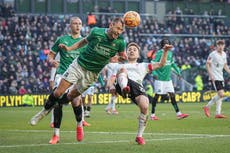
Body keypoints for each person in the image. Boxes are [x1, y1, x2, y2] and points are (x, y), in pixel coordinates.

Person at [29, 17, 127, 134]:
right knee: (58, 92)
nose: (119, 32)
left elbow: (121, 57)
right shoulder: (96, 32)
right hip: (78, 66)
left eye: (121, 30)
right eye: (117, 28)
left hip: (92, 73)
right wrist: (69, 48)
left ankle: (74, 120)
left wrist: (121, 58)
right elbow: (84, 41)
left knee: (71, 97)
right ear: (111, 25)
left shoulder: (121, 42)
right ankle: (44, 111)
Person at [113, 42, 171, 145]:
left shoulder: (143, 65)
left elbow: (161, 64)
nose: (131, 50)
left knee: (145, 106)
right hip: (122, 83)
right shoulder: (120, 65)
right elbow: (113, 77)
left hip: (136, 87)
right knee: (122, 70)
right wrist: (111, 87)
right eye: (129, 49)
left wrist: (165, 51)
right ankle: (124, 89)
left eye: (134, 50)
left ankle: (139, 136)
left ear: (138, 55)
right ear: (126, 53)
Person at [46, 17, 87, 144]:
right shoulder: (62, 39)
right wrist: (52, 61)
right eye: (75, 23)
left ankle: (79, 125)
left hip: (77, 76)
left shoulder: (84, 42)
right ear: (70, 26)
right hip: (62, 74)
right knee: (57, 101)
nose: (78, 26)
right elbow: (51, 54)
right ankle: (56, 135)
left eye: (80, 24)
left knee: (75, 101)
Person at [150, 39, 189, 120]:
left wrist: (178, 72)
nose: (166, 45)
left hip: (168, 79)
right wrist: (154, 74)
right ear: (162, 45)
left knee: (172, 95)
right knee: (157, 96)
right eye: (164, 44)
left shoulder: (170, 53)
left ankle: (178, 113)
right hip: (159, 79)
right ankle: (152, 115)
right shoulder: (159, 53)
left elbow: (172, 64)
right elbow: (152, 63)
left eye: (167, 43)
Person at [203, 40, 230, 119]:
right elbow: (207, 64)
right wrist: (210, 74)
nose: (220, 46)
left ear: (224, 46)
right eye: (219, 45)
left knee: (220, 95)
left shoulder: (224, 54)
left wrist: (229, 72)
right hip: (215, 77)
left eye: (222, 45)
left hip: (220, 77)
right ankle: (207, 107)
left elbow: (225, 65)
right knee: (221, 94)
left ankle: (218, 113)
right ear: (216, 46)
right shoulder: (213, 54)